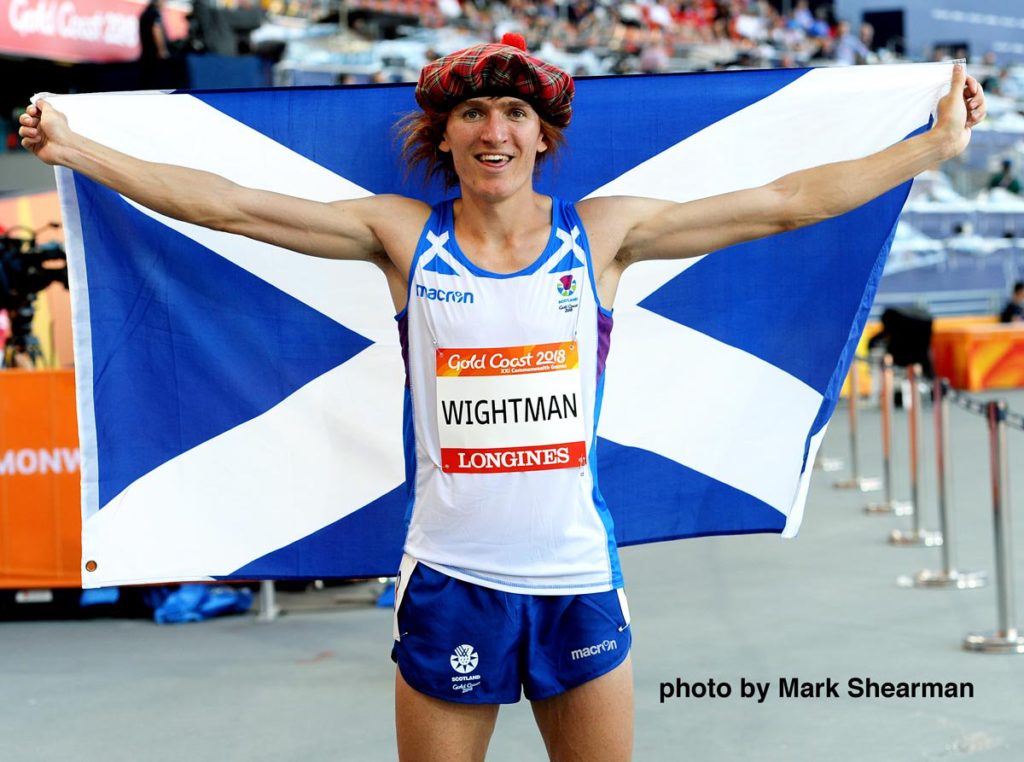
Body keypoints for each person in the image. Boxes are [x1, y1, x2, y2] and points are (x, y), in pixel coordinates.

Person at [19, 36, 985, 761]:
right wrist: (80, 150)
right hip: (450, 578)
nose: (495, 130)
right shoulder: (404, 236)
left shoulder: (600, 236)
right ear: (444, 135)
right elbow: (228, 205)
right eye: (475, 112)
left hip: (578, 579)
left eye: (516, 113)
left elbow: (783, 202)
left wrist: (932, 146)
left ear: (542, 136)